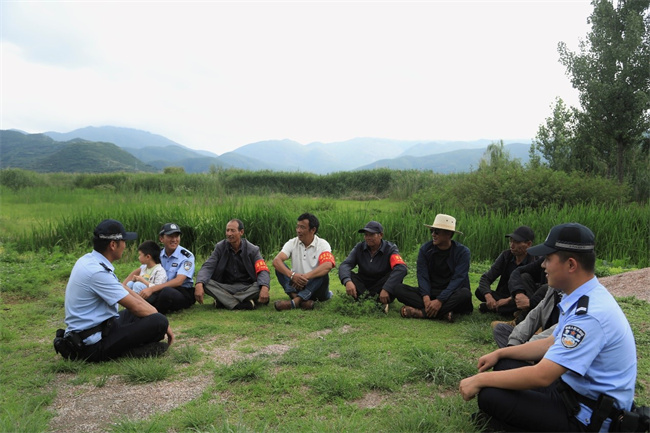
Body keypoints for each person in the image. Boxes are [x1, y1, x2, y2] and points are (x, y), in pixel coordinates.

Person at [459, 223, 637, 433]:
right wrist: (499, 352)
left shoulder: (590, 314)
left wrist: (480, 379)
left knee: (490, 394)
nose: (543, 265)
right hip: (572, 393)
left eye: (548, 259)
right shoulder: (582, 296)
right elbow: (551, 342)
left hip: (588, 417)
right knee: (505, 363)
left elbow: (542, 376)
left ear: (571, 265)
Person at [54, 219, 174, 362]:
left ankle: (133, 346)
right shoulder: (97, 272)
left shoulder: (89, 260)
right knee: (158, 321)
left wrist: (153, 310)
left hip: (100, 327)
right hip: (92, 344)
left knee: (149, 314)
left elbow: (123, 289)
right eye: (123, 241)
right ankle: (129, 351)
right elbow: (135, 307)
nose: (125, 245)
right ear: (113, 245)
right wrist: (164, 323)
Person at [394, 214, 473, 322]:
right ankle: (443, 313)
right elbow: (422, 276)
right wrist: (426, 297)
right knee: (398, 289)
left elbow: (458, 279)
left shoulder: (463, 252)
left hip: (452, 292)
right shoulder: (425, 250)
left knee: (465, 294)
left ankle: (421, 313)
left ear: (448, 234)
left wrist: (440, 300)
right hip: (432, 291)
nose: (433, 235)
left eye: (437, 232)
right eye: (432, 231)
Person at [194, 219, 270, 310]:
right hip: (225, 287)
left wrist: (265, 287)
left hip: (247, 287)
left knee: (260, 286)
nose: (229, 234)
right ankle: (241, 303)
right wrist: (199, 284)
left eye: (232, 231)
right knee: (205, 283)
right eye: (227, 230)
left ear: (241, 232)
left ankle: (223, 301)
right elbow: (208, 266)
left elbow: (263, 270)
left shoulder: (253, 249)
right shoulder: (220, 247)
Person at [338, 221, 407, 313]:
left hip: (381, 286)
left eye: (371, 235)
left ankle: (364, 301)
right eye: (366, 235)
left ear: (381, 235)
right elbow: (345, 264)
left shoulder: (390, 249)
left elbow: (401, 268)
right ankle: (375, 303)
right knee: (349, 275)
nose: (368, 238)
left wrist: (387, 288)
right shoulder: (359, 247)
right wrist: (347, 281)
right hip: (364, 286)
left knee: (394, 275)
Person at [272, 213, 336, 311]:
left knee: (322, 272)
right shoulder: (292, 242)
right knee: (280, 267)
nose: (298, 230)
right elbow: (276, 261)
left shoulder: (323, 244)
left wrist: (305, 277)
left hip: (317, 288)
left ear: (313, 230)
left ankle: (295, 302)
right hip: (296, 286)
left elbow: (328, 265)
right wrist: (293, 276)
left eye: (302, 227)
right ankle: (299, 299)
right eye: (297, 227)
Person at [475, 226, 536, 317]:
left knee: (529, 301)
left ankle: (499, 309)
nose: (512, 245)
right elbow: (486, 278)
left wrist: (508, 300)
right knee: (480, 291)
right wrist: (488, 296)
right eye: (511, 241)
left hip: (521, 297)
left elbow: (533, 290)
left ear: (528, 244)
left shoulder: (535, 261)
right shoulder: (506, 256)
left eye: (517, 242)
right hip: (502, 295)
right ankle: (504, 310)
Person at [139, 223, 196, 314]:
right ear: (161, 239)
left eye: (177, 236)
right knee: (138, 286)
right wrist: (124, 285)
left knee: (166, 292)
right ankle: (142, 306)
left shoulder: (186, 256)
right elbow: (141, 269)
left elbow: (179, 281)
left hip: (180, 291)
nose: (174, 240)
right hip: (159, 288)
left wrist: (152, 289)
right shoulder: (158, 254)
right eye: (170, 236)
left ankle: (150, 310)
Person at [492, 284, 561, 348]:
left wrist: (526, 348)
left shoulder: (570, 300)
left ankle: (514, 358)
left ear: (571, 270)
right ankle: (515, 358)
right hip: (535, 346)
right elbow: (533, 317)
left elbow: (558, 334)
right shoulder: (554, 289)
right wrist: (513, 344)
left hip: (556, 350)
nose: (545, 270)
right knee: (501, 329)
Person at [508, 255, 550, 322]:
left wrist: (531, 303)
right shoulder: (506, 255)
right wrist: (518, 292)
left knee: (546, 288)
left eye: (549, 260)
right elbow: (517, 271)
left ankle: (520, 320)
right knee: (524, 276)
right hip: (536, 303)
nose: (542, 265)